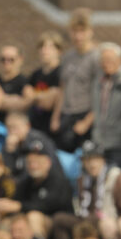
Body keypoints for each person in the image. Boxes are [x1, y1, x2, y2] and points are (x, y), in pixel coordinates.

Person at [51, 141, 121, 239]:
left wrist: (108, 217)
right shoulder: (82, 178)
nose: (92, 164)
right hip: (85, 217)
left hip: (108, 218)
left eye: (95, 159)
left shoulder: (116, 176)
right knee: (58, 219)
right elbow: (80, 204)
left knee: (105, 226)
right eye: (87, 160)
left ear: (103, 160)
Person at [51, 8, 101, 152]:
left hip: (85, 114)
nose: (78, 36)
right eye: (74, 31)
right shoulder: (67, 57)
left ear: (90, 32)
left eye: (82, 31)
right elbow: (63, 88)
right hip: (66, 115)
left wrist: (87, 121)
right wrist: (56, 117)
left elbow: (101, 94)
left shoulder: (96, 58)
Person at [88, 42, 121, 179]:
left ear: (120, 61)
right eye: (103, 60)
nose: (106, 63)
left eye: (110, 60)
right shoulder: (99, 81)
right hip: (99, 140)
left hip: (119, 141)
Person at [23, 31, 63, 134]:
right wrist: (41, 97)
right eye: (42, 47)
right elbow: (26, 94)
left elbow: (50, 102)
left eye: (49, 47)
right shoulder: (36, 74)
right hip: (35, 123)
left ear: (58, 51)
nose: (44, 51)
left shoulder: (61, 73)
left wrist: (35, 96)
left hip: (51, 126)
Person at [0, 44, 29, 125]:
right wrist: (8, 100)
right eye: (3, 59)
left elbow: (24, 104)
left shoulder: (25, 82)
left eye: (11, 59)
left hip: (13, 128)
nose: (6, 62)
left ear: (20, 60)